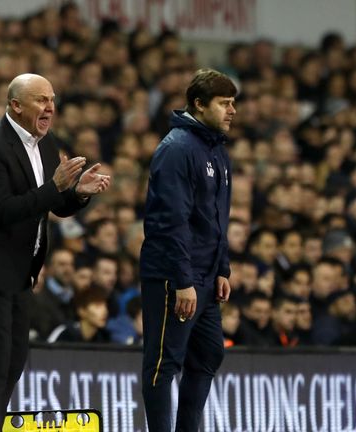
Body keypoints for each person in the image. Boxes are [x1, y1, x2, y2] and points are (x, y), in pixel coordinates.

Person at [0, 73, 110, 432]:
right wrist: (56, 187)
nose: (50, 107)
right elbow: (4, 210)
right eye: (40, 100)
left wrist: (79, 193)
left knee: (15, 360)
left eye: (52, 99)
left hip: (22, 269)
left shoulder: (46, 142)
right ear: (16, 105)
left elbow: (54, 205)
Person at [139, 68, 236, 432]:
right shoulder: (177, 148)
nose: (232, 111)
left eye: (233, 104)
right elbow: (169, 220)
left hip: (207, 276)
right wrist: (182, 280)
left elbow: (217, 218)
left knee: (210, 353)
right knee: (164, 363)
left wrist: (222, 269)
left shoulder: (217, 151)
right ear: (199, 104)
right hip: (174, 275)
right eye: (224, 104)